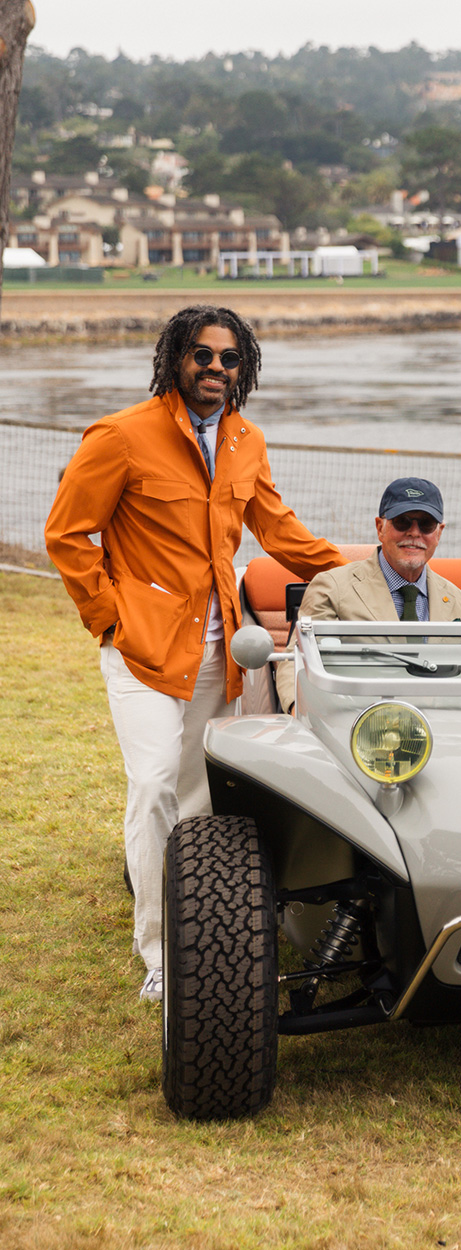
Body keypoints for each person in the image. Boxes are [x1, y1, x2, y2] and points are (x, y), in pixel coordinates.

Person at [45, 305, 346, 1002]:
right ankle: (159, 954)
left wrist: (369, 571)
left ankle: (199, 929)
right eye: (202, 356)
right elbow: (67, 534)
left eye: (230, 359)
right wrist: (110, 619)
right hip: (144, 649)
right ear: (175, 357)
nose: (216, 369)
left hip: (224, 653)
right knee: (151, 786)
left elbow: (280, 532)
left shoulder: (247, 441)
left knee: (200, 797)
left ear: (246, 369)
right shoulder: (120, 436)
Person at [275, 476, 461, 713]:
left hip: (436, 728)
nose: (414, 533)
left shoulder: (460, 605)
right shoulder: (331, 588)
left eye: (426, 524)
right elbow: (297, 662)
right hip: (357, 727)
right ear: (380, 527)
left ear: (439, 532)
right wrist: (299, 710)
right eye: (402, 522)